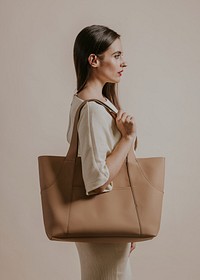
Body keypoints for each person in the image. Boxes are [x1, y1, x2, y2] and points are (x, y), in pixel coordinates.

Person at [67, 25, 137, 280]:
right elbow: (96, 180)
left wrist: (127, 226)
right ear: (94, 60)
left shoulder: (92, 102)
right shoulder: (93, 110)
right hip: (102, 226)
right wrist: (127, 138)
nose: (123, 62)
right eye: (116, 55)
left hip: (109, 223)